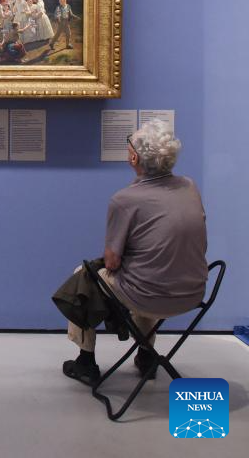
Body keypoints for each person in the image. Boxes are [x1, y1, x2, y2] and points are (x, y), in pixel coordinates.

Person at [60, 121, 207, 385]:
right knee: (150, 270)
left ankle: (85, 361)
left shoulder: (125, 199)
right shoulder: (189, 186)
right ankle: (147, 354)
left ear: (134, 158)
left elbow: (112, 261)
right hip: (193, 293)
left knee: (83, 276)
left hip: (150, 296)